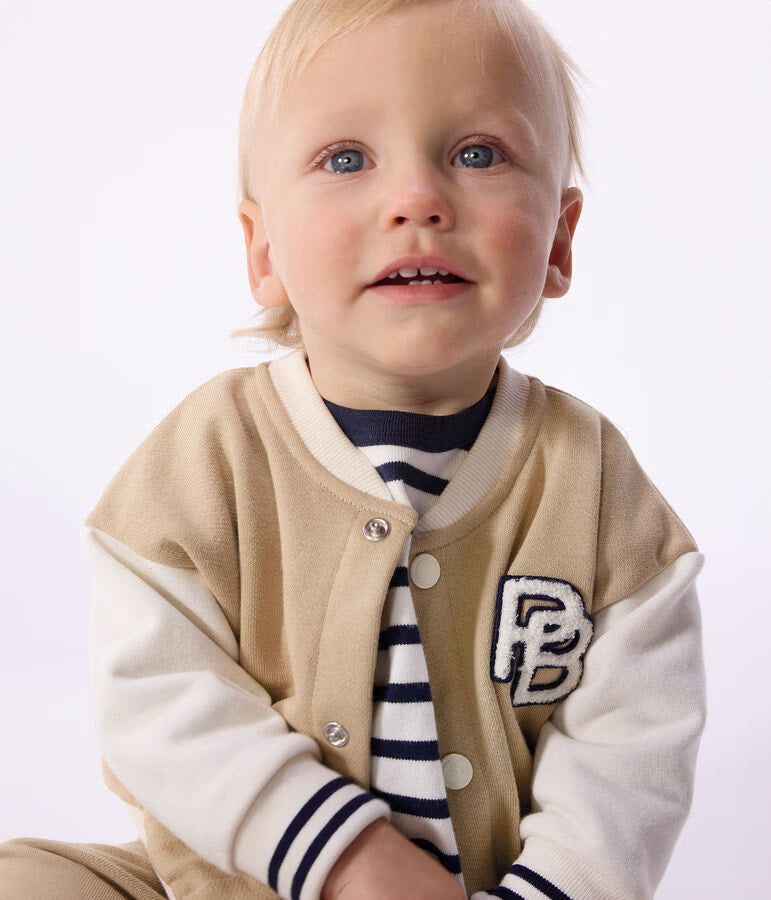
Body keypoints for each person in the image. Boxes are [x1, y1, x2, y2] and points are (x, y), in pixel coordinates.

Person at [0, 0, 706, 898]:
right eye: (346, 159)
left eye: (477, 155)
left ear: (559, 241)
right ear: (263, 251)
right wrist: (343, 854)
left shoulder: (595, 485)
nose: (416, 201)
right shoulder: (209, 455)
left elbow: (631, 753)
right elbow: (156, 698)